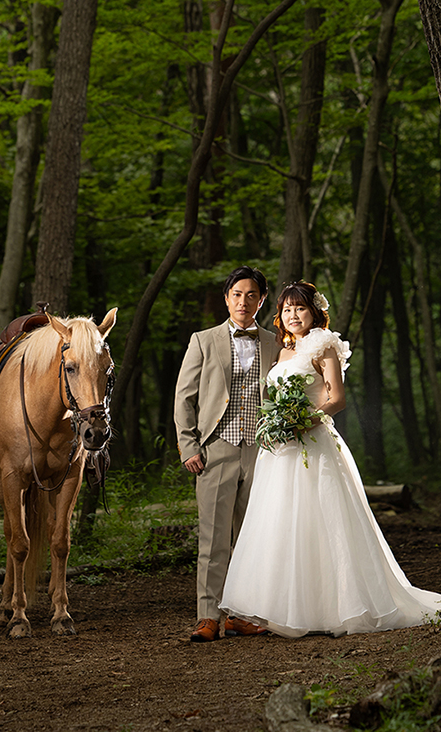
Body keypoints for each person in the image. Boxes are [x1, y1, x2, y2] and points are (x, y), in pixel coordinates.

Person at [220, 280, 441, 638]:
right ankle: (285, 607)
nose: (293, 315)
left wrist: (302, 421)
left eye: (300, 308)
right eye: (287, 309)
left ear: (314, 312)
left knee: (323, 521)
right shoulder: (282, 352)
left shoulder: (324, 344)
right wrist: (278, 425)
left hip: (313, 442)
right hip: (280, 451)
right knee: (282, 523)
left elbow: (336, 398)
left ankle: (335, 606)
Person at [174, 266, 280, 642]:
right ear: (226, 298)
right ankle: (208, 616)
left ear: (262, 300)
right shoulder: (203, 340)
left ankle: (243, 615)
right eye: (237, 293)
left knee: (254, 538)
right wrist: (189, 445)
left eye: (252, 295)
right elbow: (184, 397)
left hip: (262, 452)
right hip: (215, 449)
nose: (243, 301)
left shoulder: (274, 343)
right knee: (213, 538)